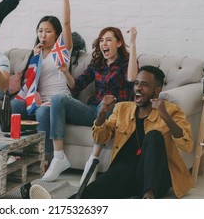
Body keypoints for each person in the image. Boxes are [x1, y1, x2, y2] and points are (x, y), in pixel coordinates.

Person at [30, 65, 194, 199]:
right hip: (126, 171)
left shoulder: (171, 111)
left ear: (157, 90)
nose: (138, 88)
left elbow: (186, 145)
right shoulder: (123, 108)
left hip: (156, 177)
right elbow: (100, 137)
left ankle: (148, 196)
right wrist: (102, 113)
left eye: (144, 84)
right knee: (93, 191)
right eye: (136, 83)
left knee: (154, 136)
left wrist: (165, 115)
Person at [41, 27, 139, 182]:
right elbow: (76, 86)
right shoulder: (97, 63)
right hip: (92, 111)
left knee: (107, 102)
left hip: (112, 113)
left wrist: (132, 44)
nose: (104, 43)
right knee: (58, 99)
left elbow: (132, 77)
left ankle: (92, 160)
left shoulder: (127, 63)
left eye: (108, 40)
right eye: (101, 40)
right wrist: (66, 72)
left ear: (119, 43)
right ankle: (59, 157)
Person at [11, 0, 74, 166]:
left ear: (56, 35)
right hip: (38, 99)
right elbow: (27, 84)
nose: (43, 35)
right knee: (15, 106)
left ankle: (45, 158)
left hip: (56, 101)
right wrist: (33, 58)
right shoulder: (35, 53)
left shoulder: (62, 50)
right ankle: (16, 150)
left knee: (42, 113)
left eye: (48, 31)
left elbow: (66, 22)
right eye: (40, 31)